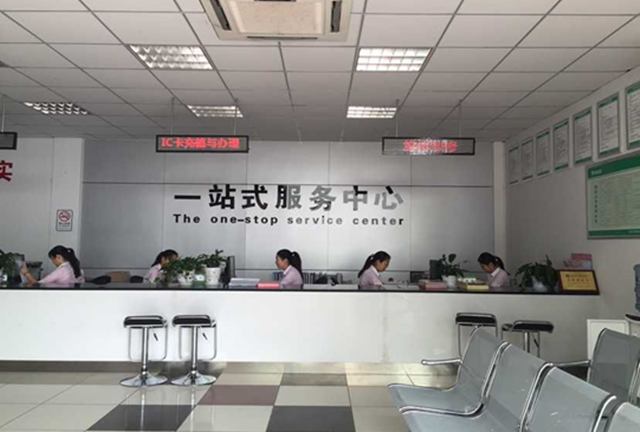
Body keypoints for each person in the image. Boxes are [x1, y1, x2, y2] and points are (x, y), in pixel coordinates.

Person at [21, 245, 85, 286]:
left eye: (52, 259)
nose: (53, 262)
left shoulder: (62, 270)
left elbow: (37, 284)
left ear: (58, 257)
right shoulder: (69, 266)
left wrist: (26, 273)